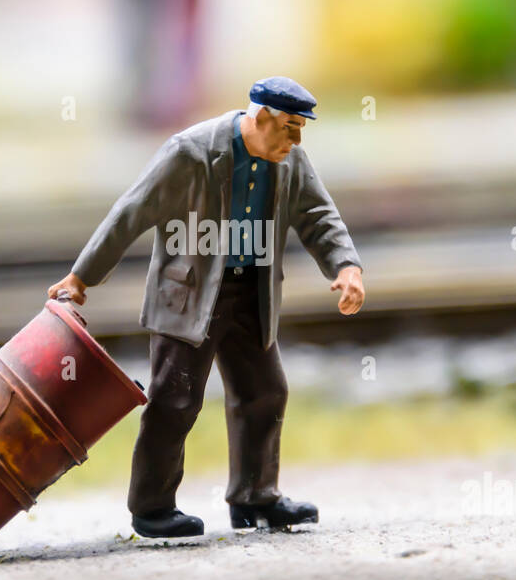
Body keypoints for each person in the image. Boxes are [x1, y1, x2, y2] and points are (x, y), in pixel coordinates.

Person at [47, 76, 365, 537]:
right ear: (260, 119)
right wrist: (82, 276)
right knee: (174, 399)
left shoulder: (290, 160)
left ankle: (255, 498)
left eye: (301, 130)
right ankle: (152, 508)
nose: (296, 140)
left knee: (266, 392)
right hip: (189, 295)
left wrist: (346, 265)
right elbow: (132, 211)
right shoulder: (189, 152)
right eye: (290, 128)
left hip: (251, 293)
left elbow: (318, 214)